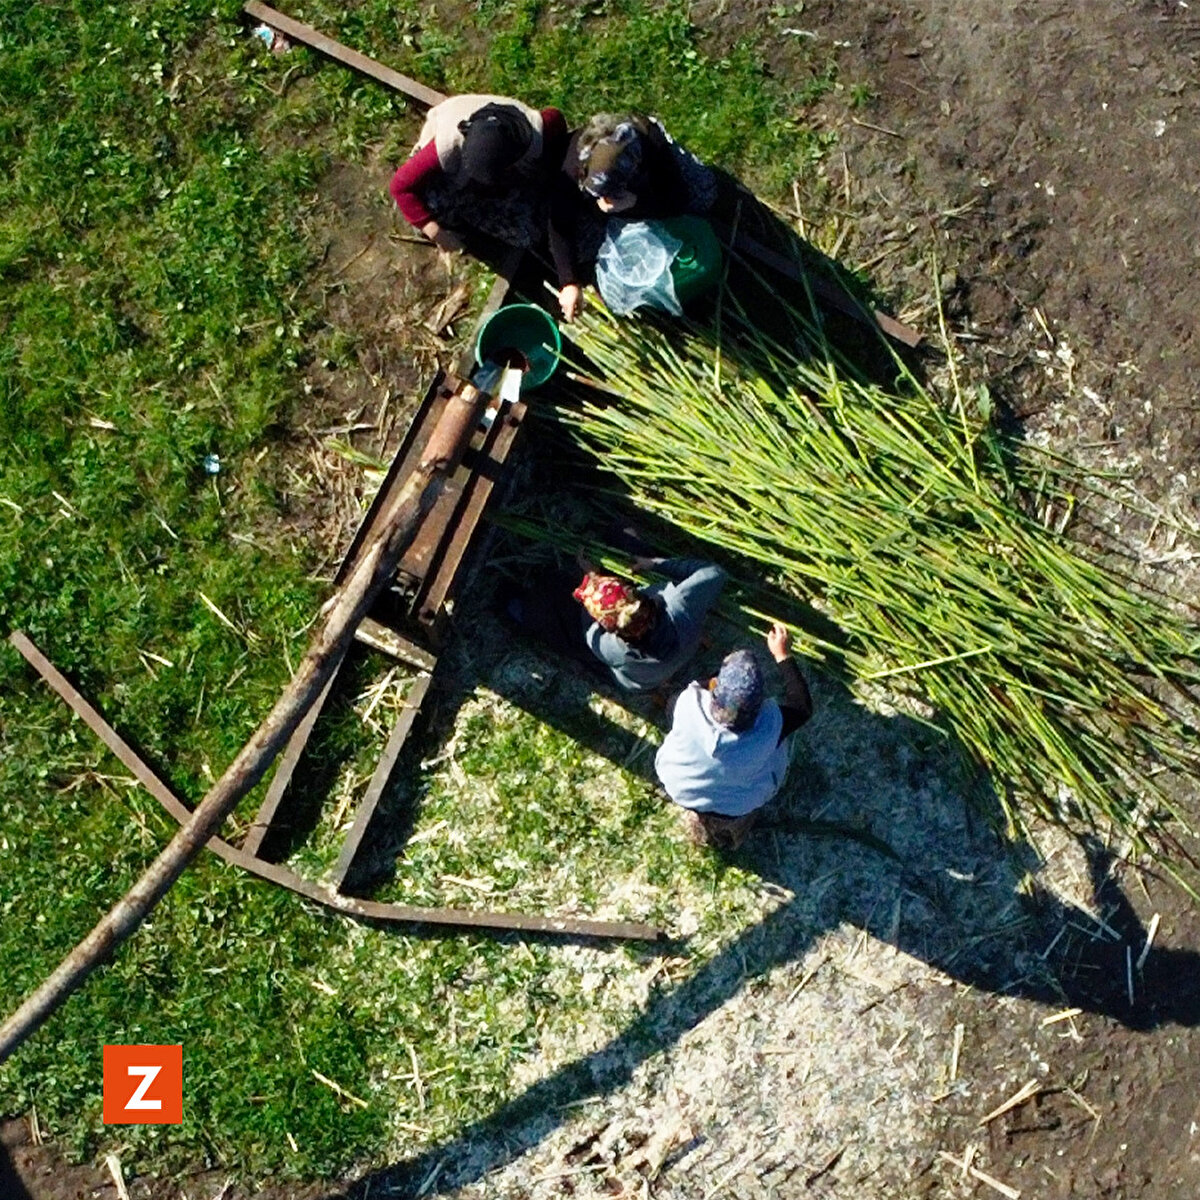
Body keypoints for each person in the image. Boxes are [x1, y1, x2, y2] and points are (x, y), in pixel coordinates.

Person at [654, 623, 813, 850]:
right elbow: (802, 706)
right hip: (736, 805)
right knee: (768, 768)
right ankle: (734, 830)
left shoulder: (687, 703)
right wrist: (782, 655)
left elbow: (677, 705)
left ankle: (700, 816)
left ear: (715, 690)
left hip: (680, 786)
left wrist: (714, 681)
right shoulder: (769, 727)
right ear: (758, 703)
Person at [548, 112, 717, 320]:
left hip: (642, 193)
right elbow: (559, 220)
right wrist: (569, 282)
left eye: (610, 191)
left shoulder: (651, 146)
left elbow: (676, 201)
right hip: (614, 199)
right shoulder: (576, 160)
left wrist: (635, 203)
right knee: (581, 249)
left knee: (704, 194)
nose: (604, 198)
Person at [390, 94, 568, 251]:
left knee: (531, 232)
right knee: (432, 202)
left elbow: (557, 120)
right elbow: (400, 187)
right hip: (446, 175)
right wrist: (434, 231)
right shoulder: (445, 147)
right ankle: (456, 221)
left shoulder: (535, 130)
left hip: (503, 174)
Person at [574, 555, 726, 691]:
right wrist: (654, 564)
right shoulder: (680, 606)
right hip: (687, 646)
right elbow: (715, 572)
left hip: (645, 681)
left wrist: (590, 581)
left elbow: (589, 629)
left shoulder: (612, 649)